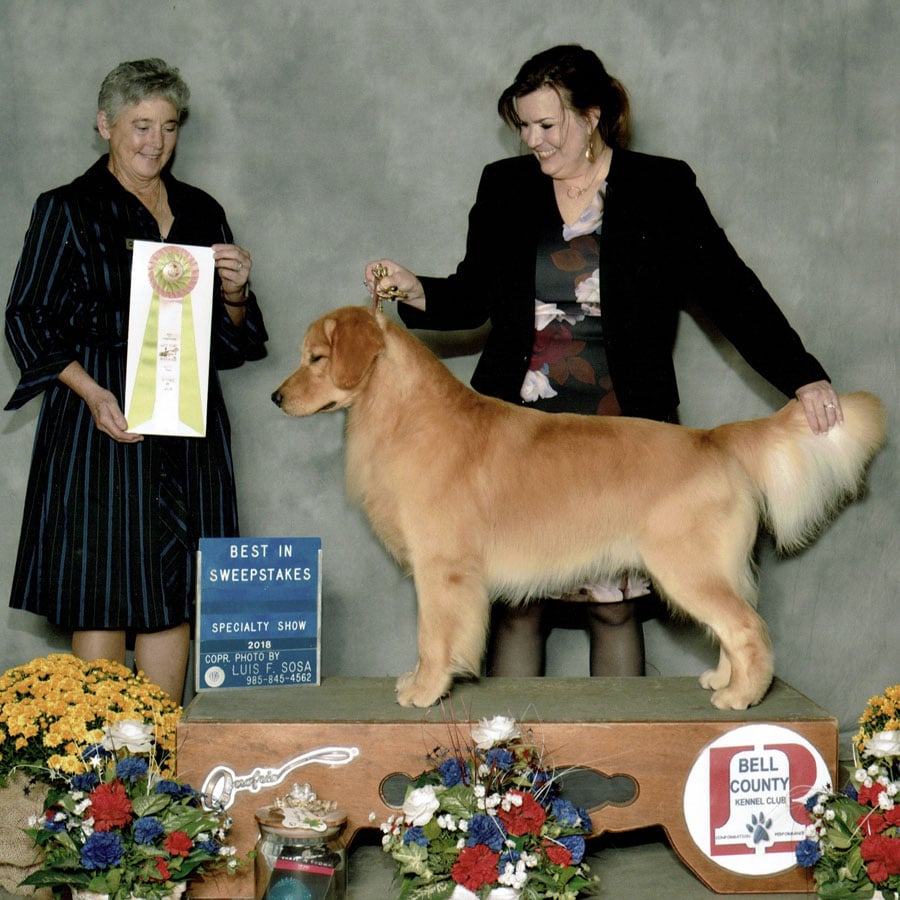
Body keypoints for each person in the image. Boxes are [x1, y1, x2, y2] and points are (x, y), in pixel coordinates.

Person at [365, 44, 842, 680]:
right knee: (517, 606)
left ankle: (623, 757)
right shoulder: (504, 187)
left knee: (615, 608)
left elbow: (731, 290)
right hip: (515, 426)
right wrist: (415, 289)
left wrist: (801, 373)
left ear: (592, 115)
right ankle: (503, 768)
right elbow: (473, 293)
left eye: (547, 125)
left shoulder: (661, 186)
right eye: (523, 127)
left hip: (624, 427)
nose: (533, 142)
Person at [4, 58, 268, 703]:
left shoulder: (204, 211)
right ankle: (96, 780)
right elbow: (26, 317)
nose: (155, 141)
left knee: (175, 590)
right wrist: (92, 393)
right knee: (104, 591)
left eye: (169, 127)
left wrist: (235, 292)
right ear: (105, 125)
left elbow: (236, 337)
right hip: (101, 415)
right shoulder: (65, 208)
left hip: (188, 422)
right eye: (140, 125)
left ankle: (160, 763)